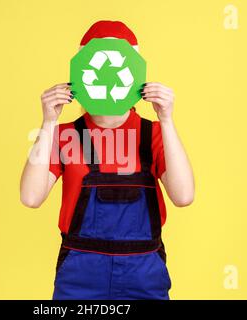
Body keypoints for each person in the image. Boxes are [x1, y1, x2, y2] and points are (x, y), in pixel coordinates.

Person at [20, 20, 195, 300]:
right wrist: (48, 122)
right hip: (80, 278)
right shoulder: (65, 134)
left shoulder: (154, 134)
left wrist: (167, 119)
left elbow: (184, 195)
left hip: (143, 277)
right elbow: (30, 197)